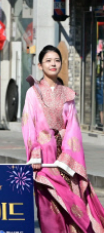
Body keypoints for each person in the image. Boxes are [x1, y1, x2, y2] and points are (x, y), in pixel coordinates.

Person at [22, 45, 104, 232]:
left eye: (57, 60)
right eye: (48, 60)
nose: (53, 64)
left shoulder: (67, 94)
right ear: (40, 65)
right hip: (43, 159)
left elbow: (73, 127)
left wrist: (68, 157)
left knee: (73, 207)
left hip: (64, 159)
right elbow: (28, 124)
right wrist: (35, 153)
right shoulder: (32, 93)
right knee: (48, 211)